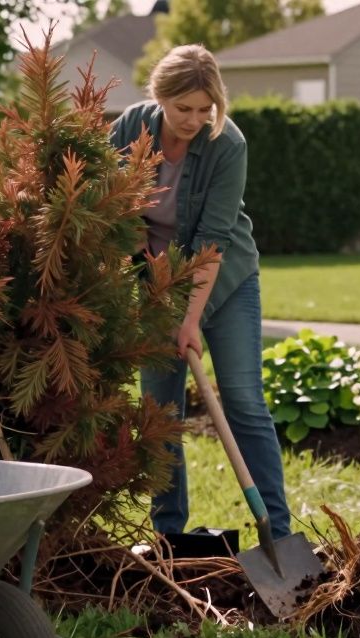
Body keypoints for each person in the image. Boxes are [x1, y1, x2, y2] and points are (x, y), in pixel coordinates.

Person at [109, 44, 292, 538]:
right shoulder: (129, 129)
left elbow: (214, 240)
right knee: (162, 412)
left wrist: (189, 317)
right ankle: (170, 533)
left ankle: (277, 531)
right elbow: (113, 208)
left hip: (226, 281)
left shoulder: (227, 144)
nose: (194, 120)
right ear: (159, 98)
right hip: (156, 287)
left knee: (242, 399)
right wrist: (154, 293)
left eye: (205, 109)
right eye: (183, 108)